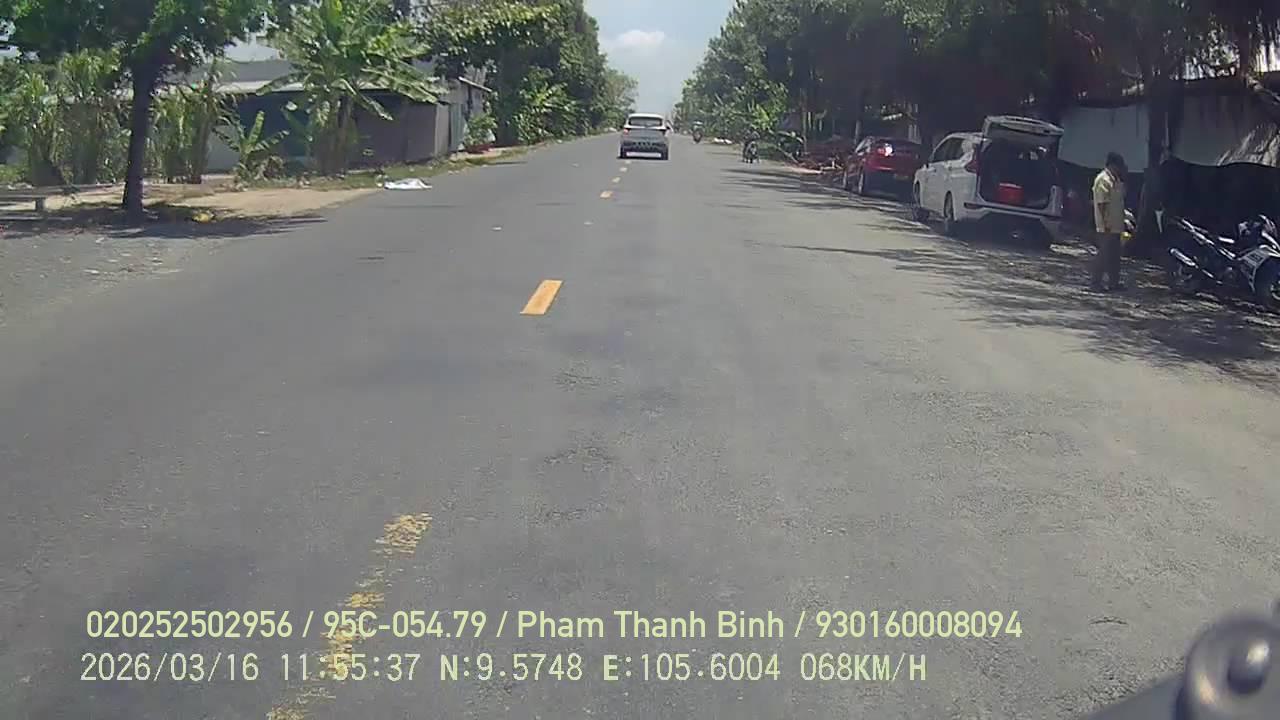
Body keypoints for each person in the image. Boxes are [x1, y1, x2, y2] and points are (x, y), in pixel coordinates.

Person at [1091, 152, 1128, 291]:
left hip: (1117, 225)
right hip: (1106, 226)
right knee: (1104, 255)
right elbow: (1102, 204)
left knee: (1115, 256)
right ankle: (1095, 283)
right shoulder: (1103, 180)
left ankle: (1114, 283)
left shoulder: (1116, 181)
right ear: (1113, 165)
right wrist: (1105, 222)